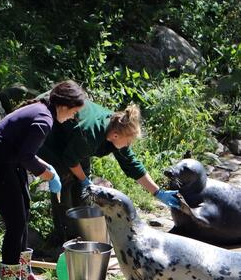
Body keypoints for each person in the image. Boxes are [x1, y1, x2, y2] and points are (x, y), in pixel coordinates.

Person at [0, 80, 87, 280]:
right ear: (65, 105)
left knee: (24, 211)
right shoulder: (44, 118)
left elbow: (22, 149)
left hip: (8, 160)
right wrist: (47, 174)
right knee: (16, 221)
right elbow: (25, 156)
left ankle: (24, 273)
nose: (72, 117)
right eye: (74, 112)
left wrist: (46, 167)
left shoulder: (42, 110)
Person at [37, 102, 180, 244]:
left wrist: (158, 193)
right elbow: (70, 159)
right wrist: (84, 180)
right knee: (66, 181)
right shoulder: (91, 133)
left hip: (76, 142)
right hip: (52, 135)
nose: (128, 145)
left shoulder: (118, 128)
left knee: (83, 189)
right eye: (129, 141)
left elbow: (132, 165)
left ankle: (82, 232)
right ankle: (63, 238)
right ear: (116, 136)